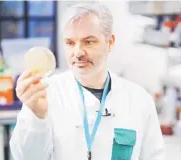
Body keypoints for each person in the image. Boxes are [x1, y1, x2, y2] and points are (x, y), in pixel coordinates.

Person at [10, 2, 165, 160]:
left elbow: (154, 156)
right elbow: (26, 157)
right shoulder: (45, 94)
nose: (77, 52)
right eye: (70, 43)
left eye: (88, 42)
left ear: (110, 42)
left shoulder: (139, 100)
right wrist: (37, 117)